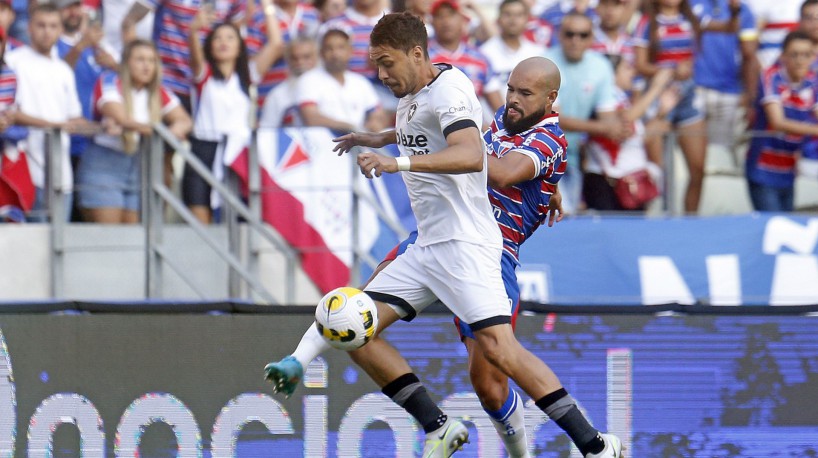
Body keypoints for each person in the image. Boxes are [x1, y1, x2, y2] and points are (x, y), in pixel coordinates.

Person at [265, 12, 623, 458]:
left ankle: (593, 446)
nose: (511, 99)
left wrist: (406, 159)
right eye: (510, 88)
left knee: (495, 370)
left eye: (524, 94)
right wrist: (382, 137)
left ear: (551, 99)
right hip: (432, 241)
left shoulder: (547, 138)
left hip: (480, 250)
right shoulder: (445, 102)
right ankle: (437, 426)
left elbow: (485, 162)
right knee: (357, 327)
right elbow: (439, 130)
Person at [633, 0, 740, 213]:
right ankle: (660, 219)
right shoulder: (647, 22)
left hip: (688, 95)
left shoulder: (693, 18)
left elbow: (730, 28)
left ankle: (690, 221)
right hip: (659, 96)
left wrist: (735, 11)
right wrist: (672, 70)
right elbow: (640, 64)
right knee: (659, 173)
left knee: (698, 170)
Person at [182, 2, 282, 224]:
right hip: (203, 149)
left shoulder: (247, 75)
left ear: (240, 46)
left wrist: (267, 6)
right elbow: (194, 52)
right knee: (201, 222)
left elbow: (275, 44)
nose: (223, 43)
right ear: (209, 45)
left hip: (237, 153)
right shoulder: (204, 73)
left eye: (230, 38)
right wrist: (193, 30)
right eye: (217, 38)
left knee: (237, 221)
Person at [75, 40, 191, 223]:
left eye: (151, 60)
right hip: (105, 163)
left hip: (138, 165)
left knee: (133, 239)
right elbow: (122, 118)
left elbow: (184, 120)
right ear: (126, 63)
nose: (146, 66)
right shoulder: (110, 81)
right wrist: (164, 133)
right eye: (140, 60)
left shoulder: (157, 91)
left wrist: (172, 130)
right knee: (109, 238)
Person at [6, 3, 89, 222]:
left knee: (61, 246)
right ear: (30, 27)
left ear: (60, 29)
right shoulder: (13, 62)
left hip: (62, 175)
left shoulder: (62, 70)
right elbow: (10, 112)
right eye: (41, 25)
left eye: (53, 26)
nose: (47, 31)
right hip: (26, 169)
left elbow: (74, 116)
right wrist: (53, 125)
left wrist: (103, 126)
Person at [544, 12, 629, 214]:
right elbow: (553, 120)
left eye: (583, 35)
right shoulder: (545, 63)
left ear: (592, 38)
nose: (576, 40)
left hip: (572, 155)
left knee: (565, 216)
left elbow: (607, 115)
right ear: (560, 35)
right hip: (542, 154)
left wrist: (618, 127)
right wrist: (605, 128)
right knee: (556, 217)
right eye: (570, 34)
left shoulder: (600, 66)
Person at [584, 58, 678, 211]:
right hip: (608, 183)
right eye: (627, 68)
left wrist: (660, 115)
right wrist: (656, 87)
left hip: (629, 181)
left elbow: (634, 136)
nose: (633, 72)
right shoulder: (604, 96)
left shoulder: (621, 97)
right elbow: (624, 120)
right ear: (612, 74)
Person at [745, 30, 818, 211]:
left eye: (806, 55)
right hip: (762, 170)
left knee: (785, 226)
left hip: (788, 172)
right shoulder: (771, 77)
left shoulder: (813, 82)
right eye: (794, 55)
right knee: (772, 225)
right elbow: (778, 122)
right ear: (783, 56)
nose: (800, 60)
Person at [691, 0, 759, 169]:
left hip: (729, 91)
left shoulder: (743, 9)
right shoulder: (687, 4)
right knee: (690, 159)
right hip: (693, 90)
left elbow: (749, 54)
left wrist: (750, 97)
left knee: (718, 159)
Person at [296, 27, 388, 133]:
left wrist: (375, 122)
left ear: (350, 51)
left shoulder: (360, 82)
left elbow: (378, 113)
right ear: (321, 53)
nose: (335, 54)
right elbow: (311, 118)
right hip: (321, 144)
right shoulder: (308, 80)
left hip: (358, 145)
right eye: (329, 48)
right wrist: (350, 128)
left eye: (341, 47)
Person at [428, 0, 502, 119]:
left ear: (463, 20)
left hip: (474, 128)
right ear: (431, 22)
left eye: (451, 15)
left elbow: (500, 109)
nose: (446, 22)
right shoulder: (421, 56)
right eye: (440, 16)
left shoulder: (480, 59)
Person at [479, 0, 545, 113]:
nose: (513, 20)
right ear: (498, 19)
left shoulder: (539, 54)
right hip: (491, 127)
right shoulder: (483, 53)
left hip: (530, 126)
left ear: (527, 19)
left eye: (519, 15)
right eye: (507, 14)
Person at [258, 36, 319, 128]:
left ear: (318, 57)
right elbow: (267, 131)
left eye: (306, 57)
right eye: (295, 58)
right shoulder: (277, 94)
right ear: (288, 61)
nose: (300, 62)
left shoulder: (330, 87)